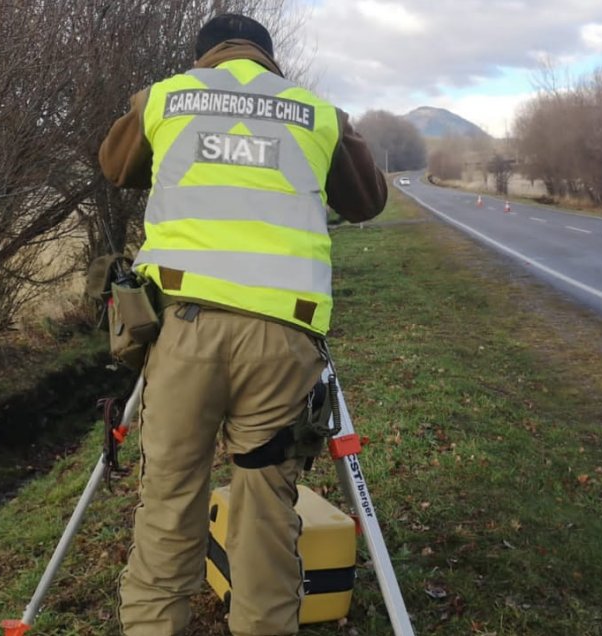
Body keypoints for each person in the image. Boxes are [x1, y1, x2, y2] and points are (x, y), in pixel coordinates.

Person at [98, 13, 387, 636]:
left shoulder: (164, 98)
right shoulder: (316, 112)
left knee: (170, 505)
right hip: (283, 339)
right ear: (268, 56)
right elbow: (367, 202)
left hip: (183, 334)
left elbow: (117, 168)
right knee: (265, 513)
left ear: (203, 56)